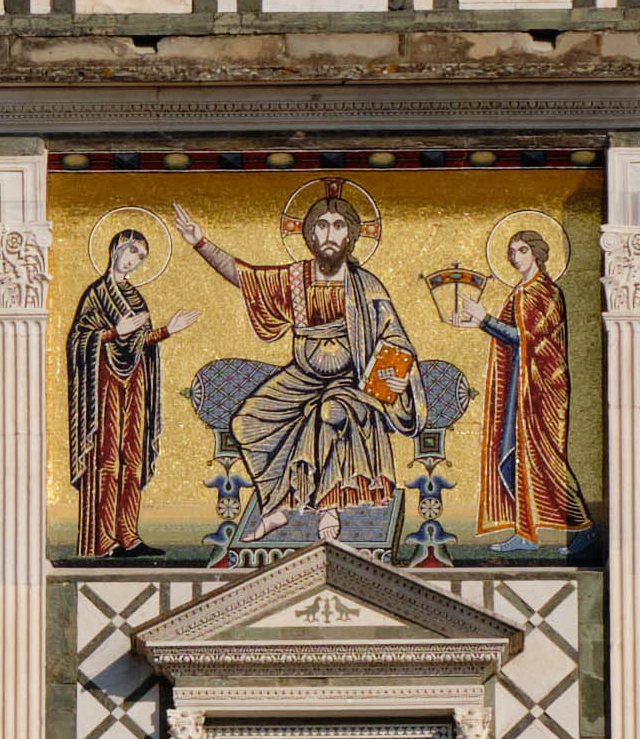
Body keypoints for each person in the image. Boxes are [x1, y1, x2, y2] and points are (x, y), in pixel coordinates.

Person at [167, 183, 446, 550]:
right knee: (245, 421)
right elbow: (245, 277)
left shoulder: (364, 286)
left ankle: (328, 506)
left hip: (352, 380)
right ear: (310, 234)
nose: (330, 234)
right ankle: (278, 505)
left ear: (351, 235)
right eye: (322, 226)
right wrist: (201, 243)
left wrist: (390, 382)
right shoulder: (295, 280)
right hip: (302, 377)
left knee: (330, 412)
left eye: (339, 226)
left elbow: (394, 338)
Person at [424, 227, 582, 544]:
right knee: (510, 458)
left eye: (521, 250)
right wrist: (475, 323)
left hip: (539, 390)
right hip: (517, 386)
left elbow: (532, 341)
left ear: (537, 253)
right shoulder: (520, 293)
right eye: (511, 251)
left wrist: (485, 320)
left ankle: (581, 528)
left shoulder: (545, 293)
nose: (514, 256)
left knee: (545, 462)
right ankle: (525, 530)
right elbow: (512, 337)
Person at [63, 225, 176, 558]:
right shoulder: (96, 294)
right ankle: (104, 539)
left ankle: (129, 534)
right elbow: (78, 341)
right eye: (131, 253)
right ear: (116, 250)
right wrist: (112, 333)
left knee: (133, 458)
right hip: (104, 384)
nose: (134, 262)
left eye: (141, 258)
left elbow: (141, 341)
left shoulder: (135, 297)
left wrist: (167, 331)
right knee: (109, 461)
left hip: (135, 381)